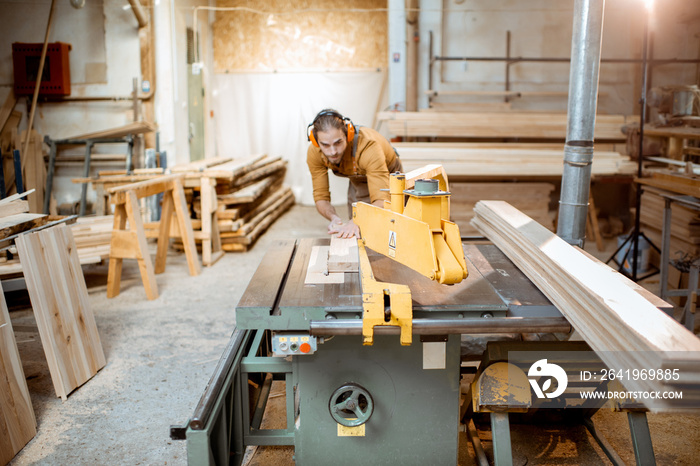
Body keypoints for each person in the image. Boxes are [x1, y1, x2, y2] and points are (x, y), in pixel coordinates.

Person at [306, 109, 403, 238]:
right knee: (355, 229)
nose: (333, 151)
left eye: (338, 143)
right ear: (316, 141)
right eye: (325, 145)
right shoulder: (315, 152)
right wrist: (334, 218)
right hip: (357, 176)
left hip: (388, 174)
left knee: (389, 223)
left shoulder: (368, 148)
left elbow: (381, 201)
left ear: (348, 135)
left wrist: (357, 220)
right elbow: (320, 197)